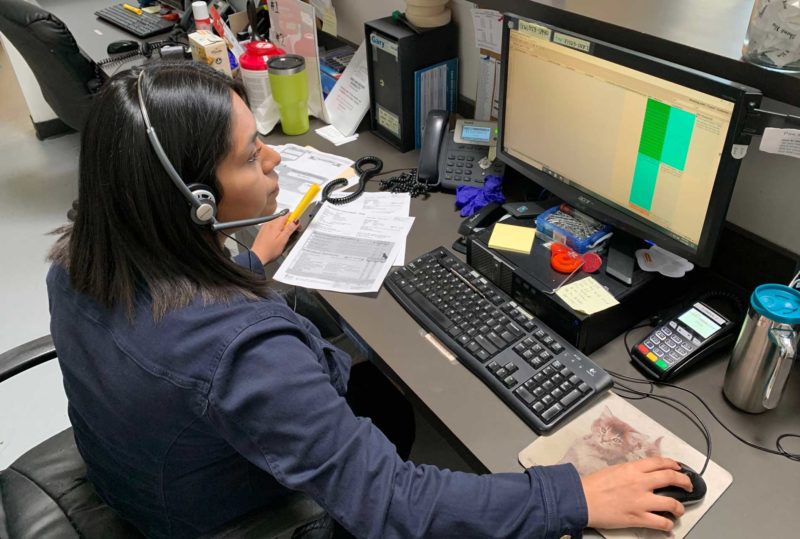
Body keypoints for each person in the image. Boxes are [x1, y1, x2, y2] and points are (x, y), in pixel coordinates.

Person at [47, 62, 692, 539]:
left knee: (383, 399)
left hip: (143, 481)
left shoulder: (85, 256)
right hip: (226, 518)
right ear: (197, 203)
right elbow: (394, 504)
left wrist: (249, 261)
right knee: (395, 413)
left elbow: (173, 336)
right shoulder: (244, 355)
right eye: (250, 156)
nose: (273, 159)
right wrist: (574, 496)